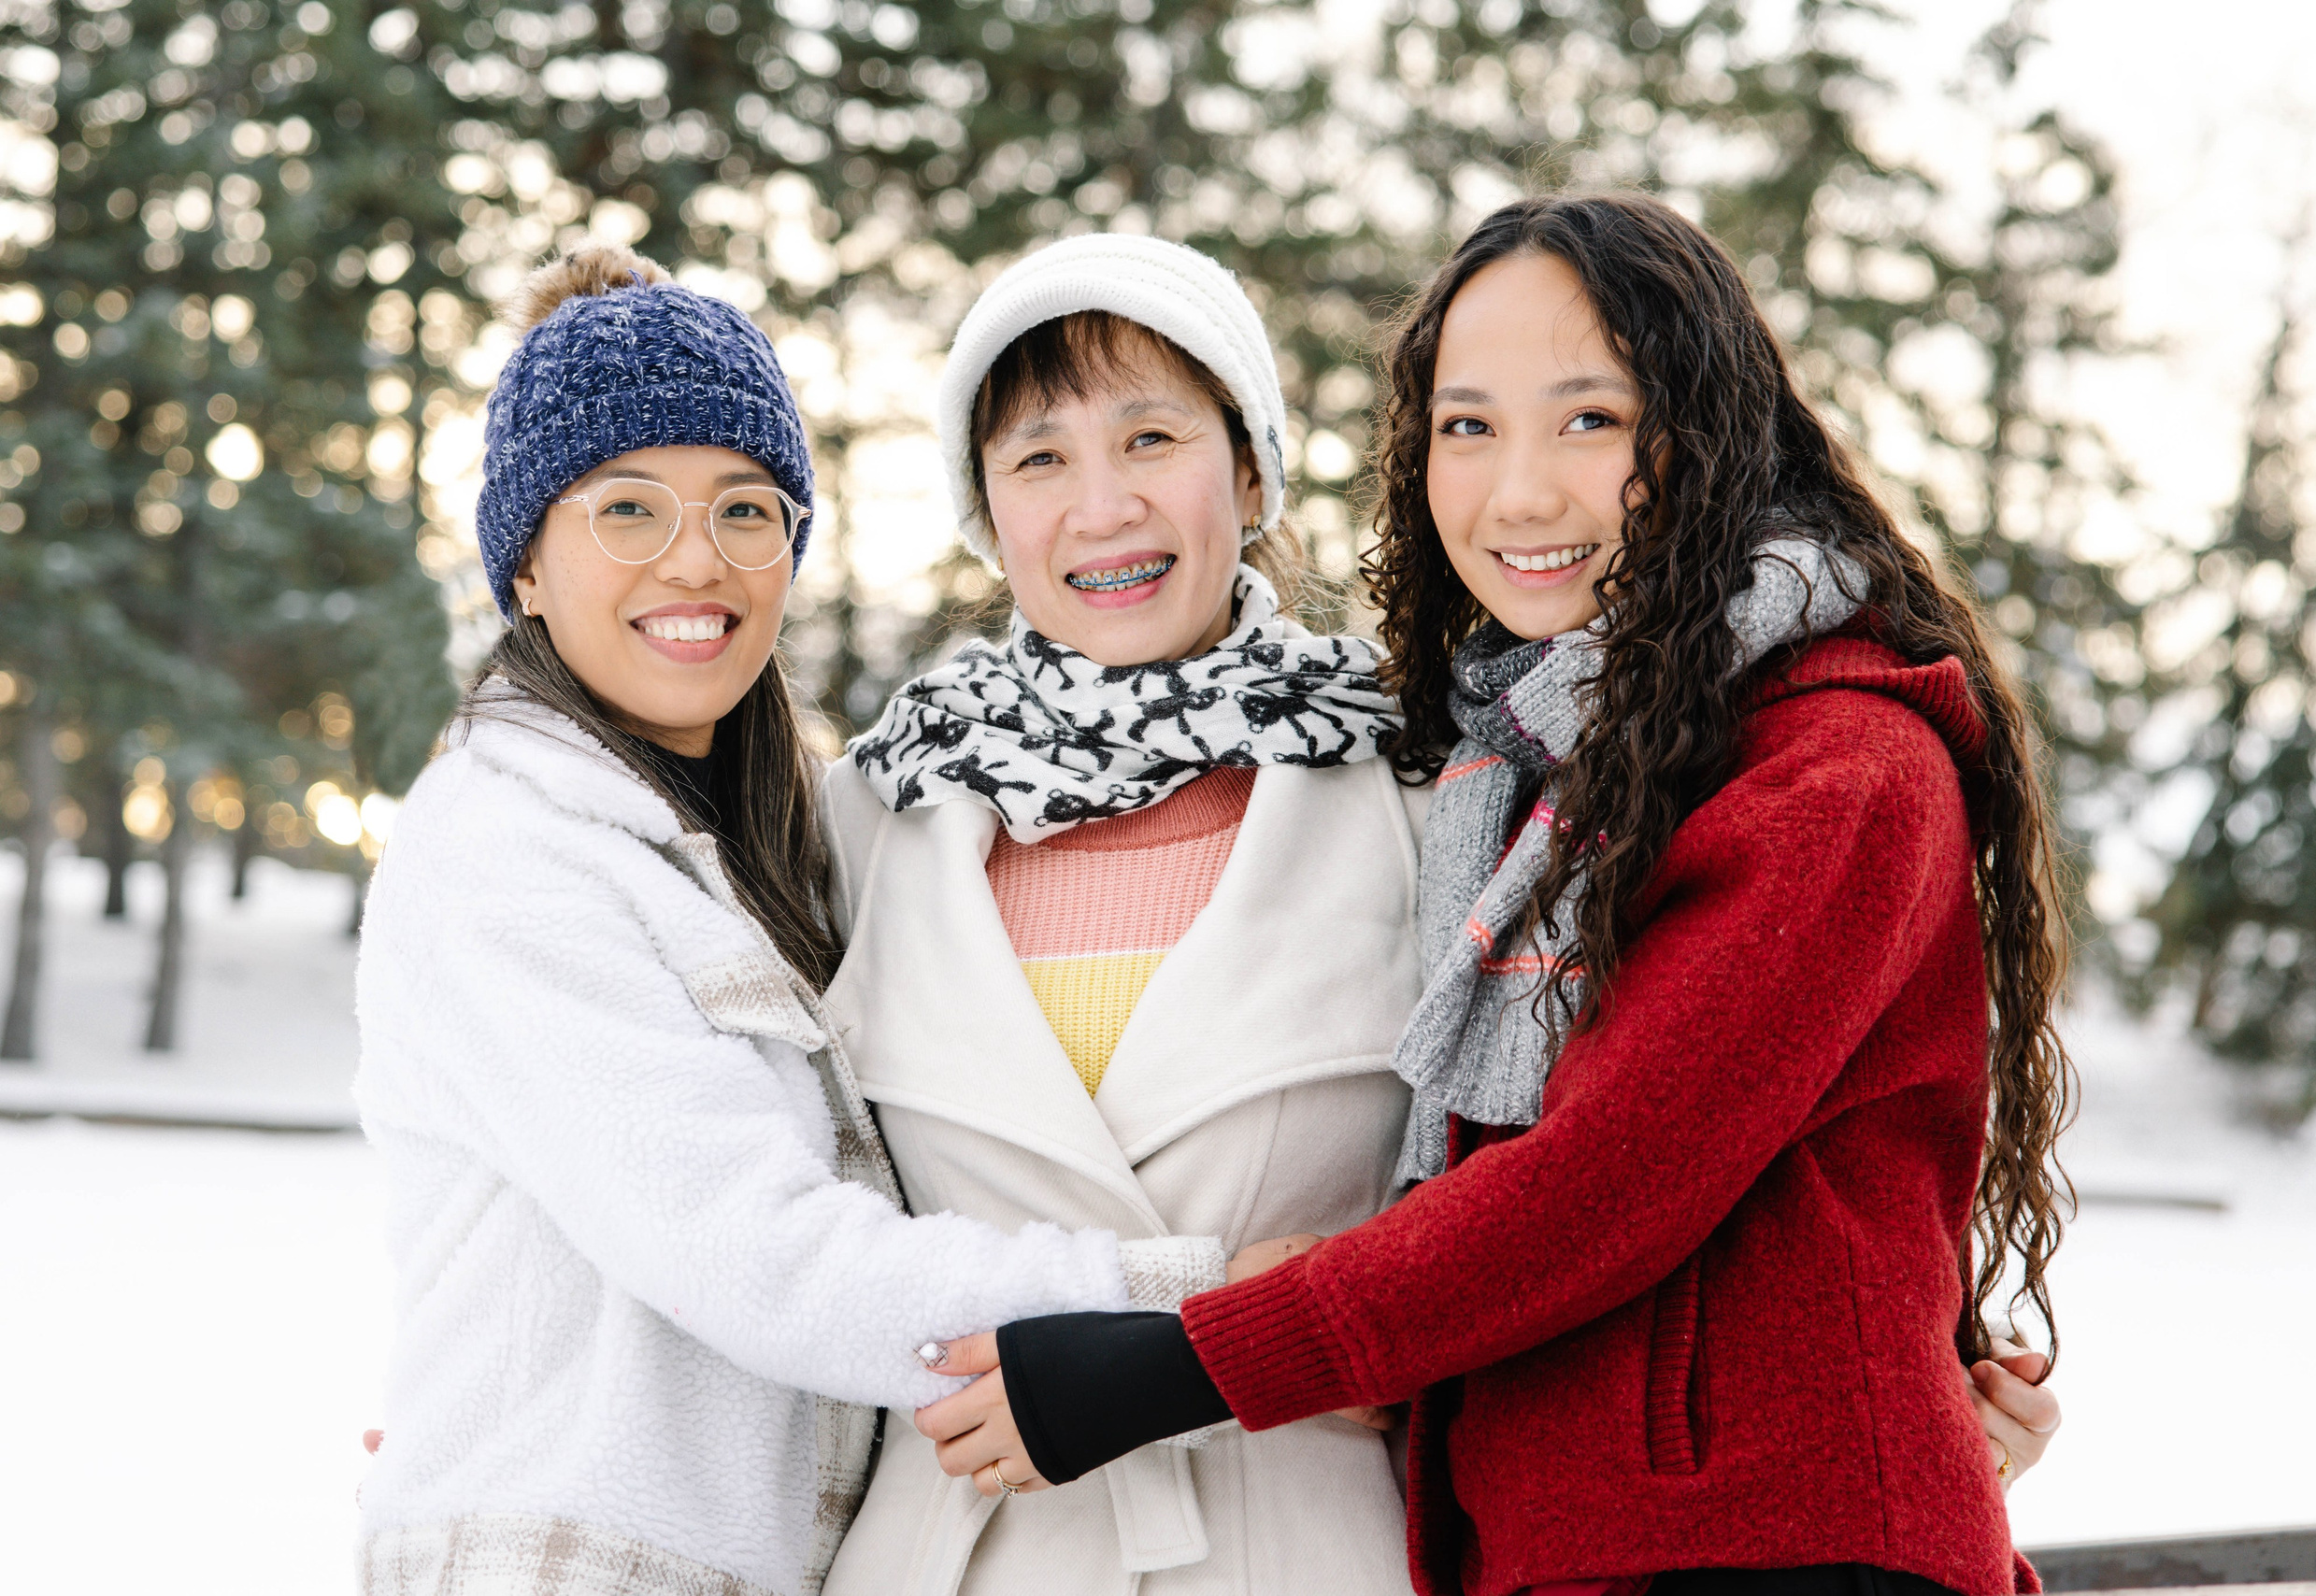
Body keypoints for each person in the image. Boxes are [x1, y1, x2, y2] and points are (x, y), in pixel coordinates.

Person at [914, 192, 2074, 1596]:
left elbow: (1604, 1183)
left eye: (1589, 419)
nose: (1519, 493)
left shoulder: (1835, 765)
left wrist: (1179, 1362)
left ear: (1712, 434)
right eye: (1468, 425)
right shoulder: (1530, 769)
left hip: (1755, 1549)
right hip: (1568, 1541)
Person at [350, 248, 1216, 1596]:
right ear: (524, 566)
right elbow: (759, 1256)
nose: (697, 559)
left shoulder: (783, 843)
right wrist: (1205, 1310)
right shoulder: (505, 849)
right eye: (626, 509)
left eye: (745, 510)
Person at [817, 234, 1426, 1596]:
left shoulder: (1415, 792)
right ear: (987, 511)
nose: (1102, 507)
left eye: (1152, 437)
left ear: (1251, 472)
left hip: (1303, 1552)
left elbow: (1551, 1213)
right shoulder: (869, 818)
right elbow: (748, 1211)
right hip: (954, 1555)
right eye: (1039, 457)